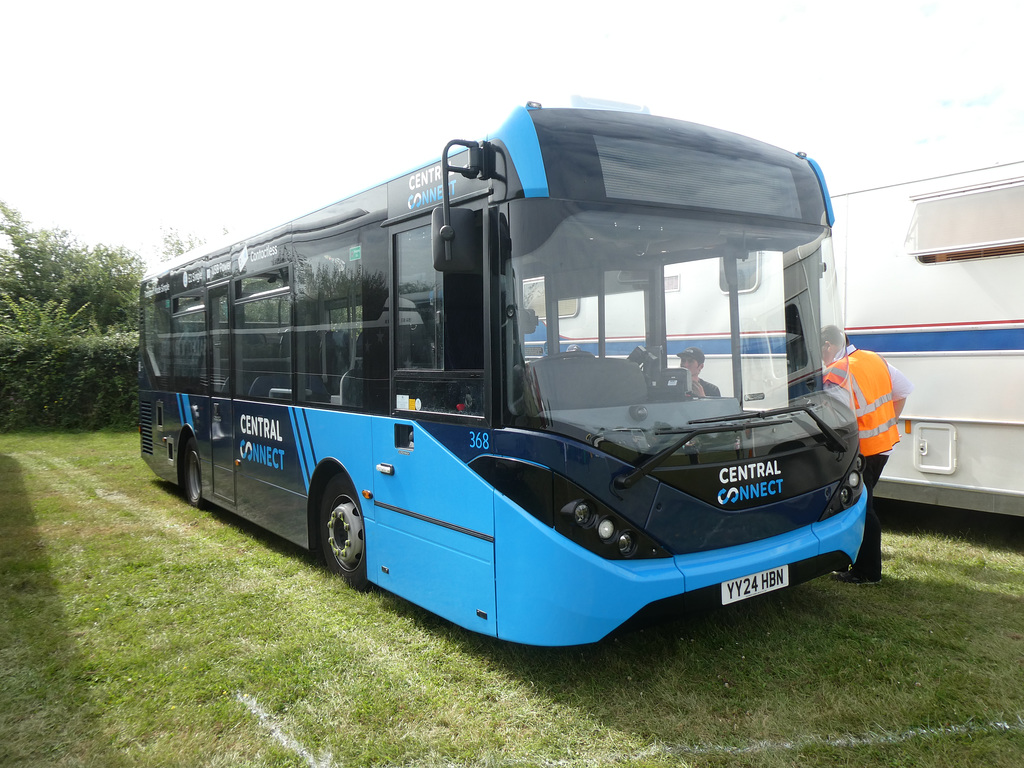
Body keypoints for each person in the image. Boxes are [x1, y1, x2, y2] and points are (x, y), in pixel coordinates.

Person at [821, 326, 914, 585]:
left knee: (864, 509)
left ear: (828, 345)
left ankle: (867, 571)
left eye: (820, 351)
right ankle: (861, 564)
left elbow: (837, 421)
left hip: (860, 451)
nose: (821, 358)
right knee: (864, 504)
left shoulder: (837, 371)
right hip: (883, 446)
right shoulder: (874, 359)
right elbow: (904, 390)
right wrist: (888, 423)